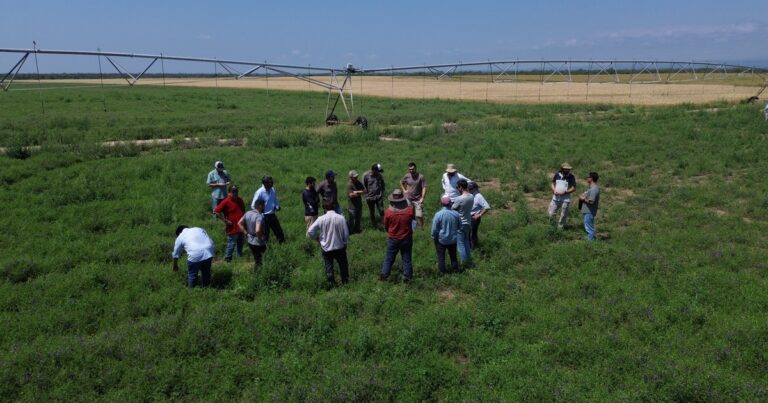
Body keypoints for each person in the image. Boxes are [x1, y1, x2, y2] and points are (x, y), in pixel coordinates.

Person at [307, 200, 350, 288]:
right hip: (339, 246)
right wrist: (345, 243)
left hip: (326, 248)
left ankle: (331, 285)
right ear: (334, 207)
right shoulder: (341, 218)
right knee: (343, 266)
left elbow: (310, 231)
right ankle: (346, 283)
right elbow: (346, 234)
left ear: (324, 208)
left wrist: (317, 239)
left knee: (329, 267)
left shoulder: (321, 219)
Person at [380, 189, 415, 282]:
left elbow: (386, 226)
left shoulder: (388, 213)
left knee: (389, 258)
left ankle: (384, 275)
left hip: (393, 239)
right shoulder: (409, 211)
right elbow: (413, 220)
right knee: (406, 258)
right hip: (406, 238)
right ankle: (407, 277)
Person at [213, 185, 245, 263]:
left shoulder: (240, 200)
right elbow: (216, 211)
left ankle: (239, 259)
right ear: (229, 192)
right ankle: (227, 259)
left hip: (241, 226)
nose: (235, 193)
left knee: (240, 244)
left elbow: (243, 212)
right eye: (233, 191)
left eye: (236, 191)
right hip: (232, 227)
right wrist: (225, 221)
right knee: (231, 244)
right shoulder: (226, 201)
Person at [431, 195, 461, 275]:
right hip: (453, 239)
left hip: (442, 239)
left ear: (441, 203)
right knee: (453, 256)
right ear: (450, 203)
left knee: (441, 257)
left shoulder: (438, 215)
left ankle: (442, 272)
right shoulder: (456, 214)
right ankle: (455, 271)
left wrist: (434, 237)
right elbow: (459, 226)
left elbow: (434, 229)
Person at [251, 175, 285, 243]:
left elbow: (275, 200)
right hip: (264, 216)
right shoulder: (259, 192)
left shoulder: (272, 189)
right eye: (269, 182)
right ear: (265, 183)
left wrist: (277, 206)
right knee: (265, 235)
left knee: (279, 232)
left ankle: (283, 246)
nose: (271, 184)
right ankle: (265, 250)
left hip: (272, 215)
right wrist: (260, 212)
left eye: (272, 182)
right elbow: (253, 205)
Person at [238, 199, 267, 269]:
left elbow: (239, 223)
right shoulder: (259, 216)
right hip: (258, 242)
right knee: (261, 260)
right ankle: (259, 274)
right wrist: (261, 238)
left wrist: (246, 233)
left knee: (256, 259)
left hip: (250, 240)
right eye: (263, 205)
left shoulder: (248, 213)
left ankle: (257, 272)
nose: (264, 207)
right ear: (260, 206)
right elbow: (257, 230)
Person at [451, 179, 474, 266]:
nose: (457, 189)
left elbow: (453, 208)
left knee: (460, 245)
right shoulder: (471, 196)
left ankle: (464, 263)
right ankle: (469, 261)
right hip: (468, 222)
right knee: (466, 243)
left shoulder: (459, 198)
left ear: (461, 187)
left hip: (460, 223)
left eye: (457, 187)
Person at [548, 162, 577, 229]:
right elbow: (553, 183)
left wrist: (565, 192)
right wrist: (553, 190)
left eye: (568, 169)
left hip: (565, 199)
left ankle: (560, 227)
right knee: (551, 213)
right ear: (562, 169)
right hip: (555, 198)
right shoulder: (557, 175)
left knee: (564, 214)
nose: (568, 170)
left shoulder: (571, 177)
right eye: (566, 169)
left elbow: (573, 188)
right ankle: (552, 226)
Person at [400, 162, 427, 229]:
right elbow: (401, 182)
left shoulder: (421, 177)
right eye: (410, 169)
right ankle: (412, 228)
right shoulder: (407, 176)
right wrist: (404, 190)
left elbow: (424, 187)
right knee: (410, 214)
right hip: (408, 198)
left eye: (412, 169)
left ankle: (422, 227)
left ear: (415, 168)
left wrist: (422, 197)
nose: (411, 170)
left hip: (418, 199)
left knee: (419, 215)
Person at [578, 172, 601, 241]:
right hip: (588, 211)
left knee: (589, 228)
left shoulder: (594, 189)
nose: (586, 178)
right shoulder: (591, 188)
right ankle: (590, 240)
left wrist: (583, 199)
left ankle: (590, 242)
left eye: (588, 177)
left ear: (591, 178)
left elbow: (591, 201)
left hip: (589, 211)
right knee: (588, 226)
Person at [468, 182, 491, 249]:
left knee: (473, 233)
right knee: (467, 233)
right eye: (468, 188)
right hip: (468, 216)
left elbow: (487, 207)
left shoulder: (478, 196)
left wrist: (479, 214)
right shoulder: (470, 195)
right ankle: (469, 248)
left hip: (474, 218)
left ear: (475, 188)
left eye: (471, 189)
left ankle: (474, 248)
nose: (469, 190)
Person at [363, 163, 386, 228]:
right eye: (378, 171)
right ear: (374, 170)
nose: (379, 173)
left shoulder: (379, 175)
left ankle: (383, 223)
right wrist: (366, 196)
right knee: (372, 211)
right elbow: (363, 187)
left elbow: (383, 184)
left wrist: (382, 192)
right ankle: (374, 224)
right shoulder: (366, 175)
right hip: (370, 197)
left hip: (379, 196)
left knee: (381, 210)